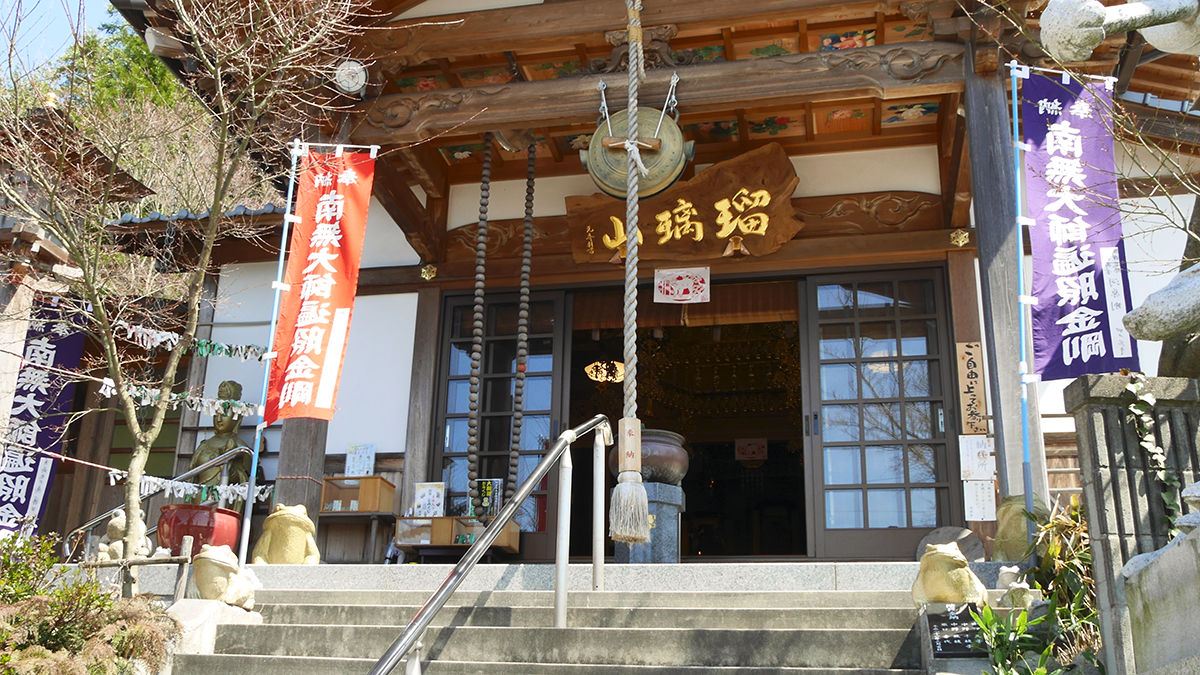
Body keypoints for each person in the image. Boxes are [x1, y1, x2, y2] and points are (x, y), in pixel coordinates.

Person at [189, 380, 262, 506]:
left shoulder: (240, 447)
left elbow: (247, 481)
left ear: (237, 417)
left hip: (224, 503)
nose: (218, 419)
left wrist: (230, 471)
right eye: (216, 414)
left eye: (224, 415)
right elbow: (191, 477)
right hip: (199, 499)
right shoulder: (204, 445)